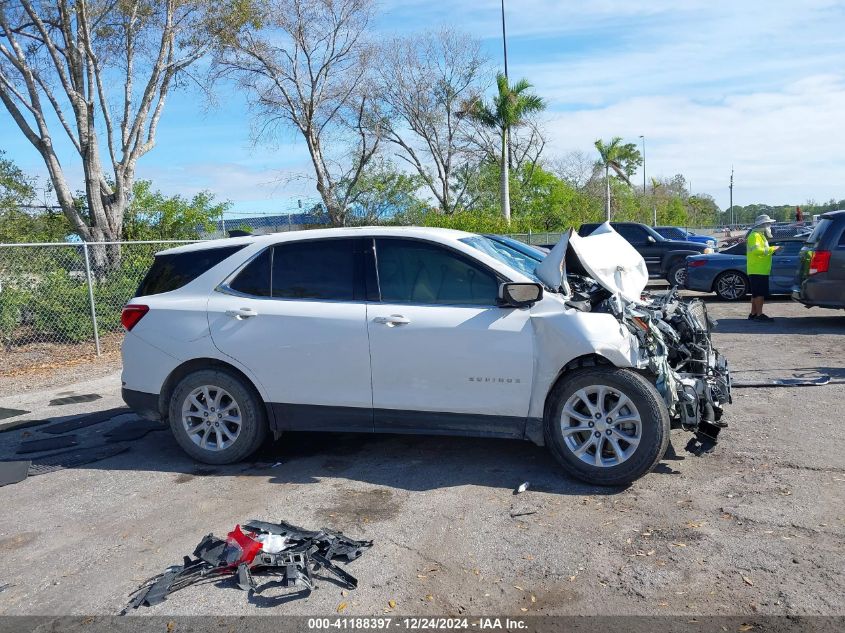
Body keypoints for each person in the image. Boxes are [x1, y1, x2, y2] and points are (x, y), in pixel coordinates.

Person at [746, 214, 779, 321]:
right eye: (767, 224)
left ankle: (753, 313)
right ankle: (759, 315)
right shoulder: (755, 236)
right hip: (758, 269)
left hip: (759, 269)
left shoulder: (759, 235)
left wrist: (770, 250)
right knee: (759, 293)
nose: (769, 226)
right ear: (762, 224)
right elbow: (756, 251)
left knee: (756, 293)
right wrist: (772, 249)